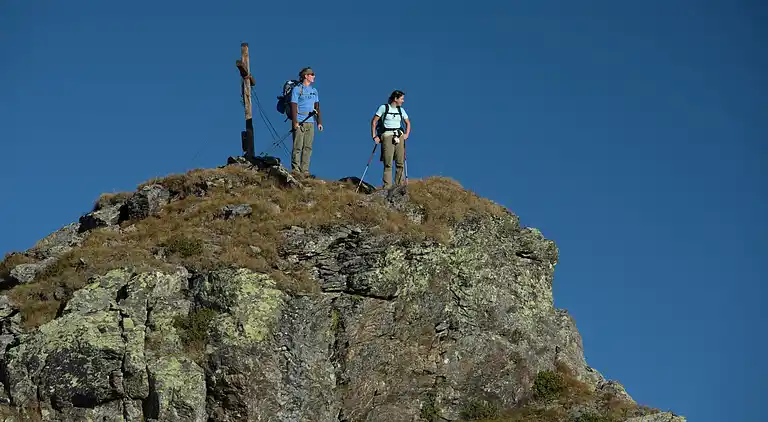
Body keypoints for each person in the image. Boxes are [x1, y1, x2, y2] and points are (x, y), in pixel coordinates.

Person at [371, 90, 411, 189]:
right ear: (395, 99)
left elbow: (408, 123)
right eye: (401, 99)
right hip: (387, 136)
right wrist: (374, 136)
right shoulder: (383, 108)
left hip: (399, 136)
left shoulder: (401, 110)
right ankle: (387, 187)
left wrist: (406, 134)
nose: (403, 101)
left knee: (400, 162)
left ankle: (399, 186)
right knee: (388, 162)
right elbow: (374, 121)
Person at [290, 67, 324, 176]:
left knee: (308, 146)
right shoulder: (297, 89)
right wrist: (295, 121)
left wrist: (319, 122)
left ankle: (305, 170)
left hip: (310, 122)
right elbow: (294, 105)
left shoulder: (314, 91)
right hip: (300, 120)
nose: (314, 76)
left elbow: (317, 107)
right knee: (298, 146)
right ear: (306, 76)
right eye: (312, 74)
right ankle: (296, 169)